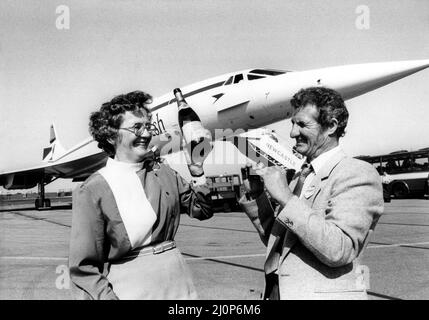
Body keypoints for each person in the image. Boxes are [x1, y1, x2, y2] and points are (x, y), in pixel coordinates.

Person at [240, 87, 384, 300]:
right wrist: (258, 197)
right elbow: (283, 241)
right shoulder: (302, 175)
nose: (292, 133)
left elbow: (339, 249)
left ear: (331, 127)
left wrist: (286, 198)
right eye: (292, 124)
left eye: (302, 125)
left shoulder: (357, 172)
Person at [68, 91, 213, 300]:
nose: (146, 134)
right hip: (132, 288)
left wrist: (197, 171)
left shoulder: (164, 172)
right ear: (110, 135)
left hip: (179, 281)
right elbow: (84, 269)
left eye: (148, 126)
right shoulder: (93, 189)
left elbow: (203, 210)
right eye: (137, 127)